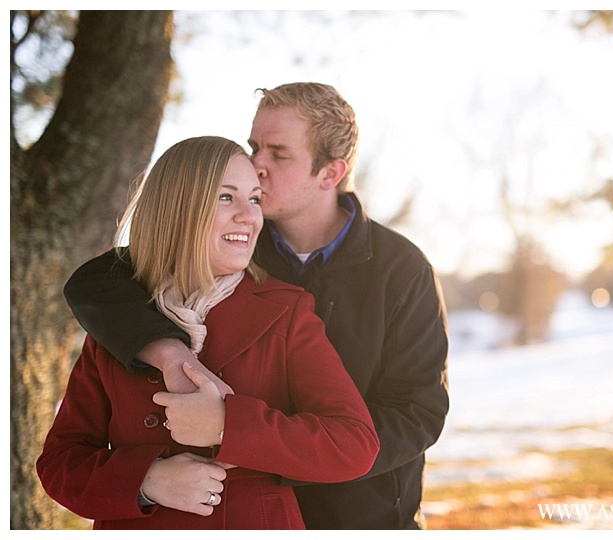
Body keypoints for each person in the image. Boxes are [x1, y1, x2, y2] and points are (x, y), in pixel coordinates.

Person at [63, 82, 449, 529]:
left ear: (330, 173)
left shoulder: (401, 269)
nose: (256, 165)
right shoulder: (230, 243)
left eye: (278, 154)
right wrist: (168, 352)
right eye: (254, 146)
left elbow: (417, 412)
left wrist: (266, 451)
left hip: (358, 512)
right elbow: (99, 280)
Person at [38, 136, 379, 529]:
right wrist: (148, 482)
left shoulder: (287, 311)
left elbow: (353, 444)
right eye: (226, 197)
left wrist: (226, 424)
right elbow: (61, 463)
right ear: (178, 208)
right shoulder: (117, 319)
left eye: (254, 199)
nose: (250, 217)